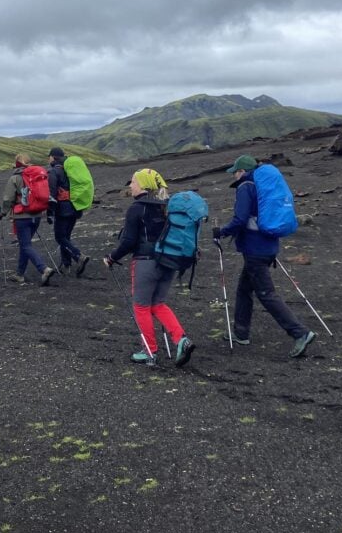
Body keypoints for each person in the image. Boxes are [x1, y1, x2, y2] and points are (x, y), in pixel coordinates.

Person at [213, 155, 315, 358]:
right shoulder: (263, 186)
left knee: (266, 294)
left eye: (235, 171)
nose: (234, 174)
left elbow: (240, 219)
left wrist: (222, 231)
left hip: (255, 249)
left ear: (241, 171)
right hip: (268, 245)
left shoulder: (245, 186)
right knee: (244, 289)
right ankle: (241, 333)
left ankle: (300, 333)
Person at [103, 168, 195, 369]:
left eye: (133, 182)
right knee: (158, 303)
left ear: (143, 185)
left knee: (141, 306)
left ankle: (149, 351)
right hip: (170, 261)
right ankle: (181, 340)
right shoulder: (167, 206)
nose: (130, 186)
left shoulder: (137, 208)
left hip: (145, 262)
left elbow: (128, 241)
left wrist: (111, 257)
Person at [0, 153, 54, 286]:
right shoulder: (37, 175)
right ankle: (19, 274)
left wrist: (2, 213)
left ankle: (44, 269)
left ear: (17, 163)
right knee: (25, 244)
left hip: (22, 216)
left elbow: (8, 199)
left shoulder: (15, 178)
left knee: (26, 245)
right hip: (37, 214)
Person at [47, 147, 90, 276]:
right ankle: (66, 265)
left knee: (60, 237)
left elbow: (52, 193)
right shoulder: (70, 170)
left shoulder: (54, 172)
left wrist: (50, 211)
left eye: (49, 156)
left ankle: (79, 256)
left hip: (63, 209)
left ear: (53, 157)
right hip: (75, 206)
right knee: (66, 236)